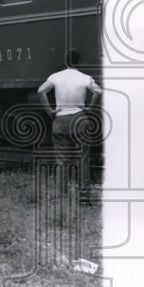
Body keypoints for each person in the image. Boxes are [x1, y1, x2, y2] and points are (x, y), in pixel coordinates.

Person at [37, 50, 103, 188]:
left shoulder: (55, 77)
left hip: (60, 120)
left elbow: (40, 91)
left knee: (62, 161)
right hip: (79, 119)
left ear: (65, 61)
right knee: (83, 159)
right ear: (79, 61)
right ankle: (84, 196)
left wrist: (49, 110)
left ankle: (62, 195)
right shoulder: (85, 77)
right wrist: (90, 108)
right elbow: (98, 91)